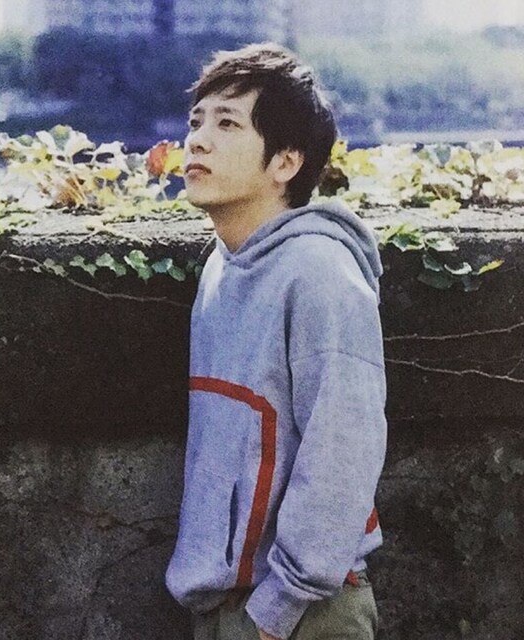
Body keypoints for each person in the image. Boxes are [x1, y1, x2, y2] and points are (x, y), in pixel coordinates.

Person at [165, 42, 387, 640]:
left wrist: (280, 607)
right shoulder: (222, 265)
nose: (198, 141)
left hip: (302, 613)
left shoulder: (319, 271)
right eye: (196, 121)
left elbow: (344, 449)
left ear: (285, 162)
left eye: (227, 124)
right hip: (222, 602)